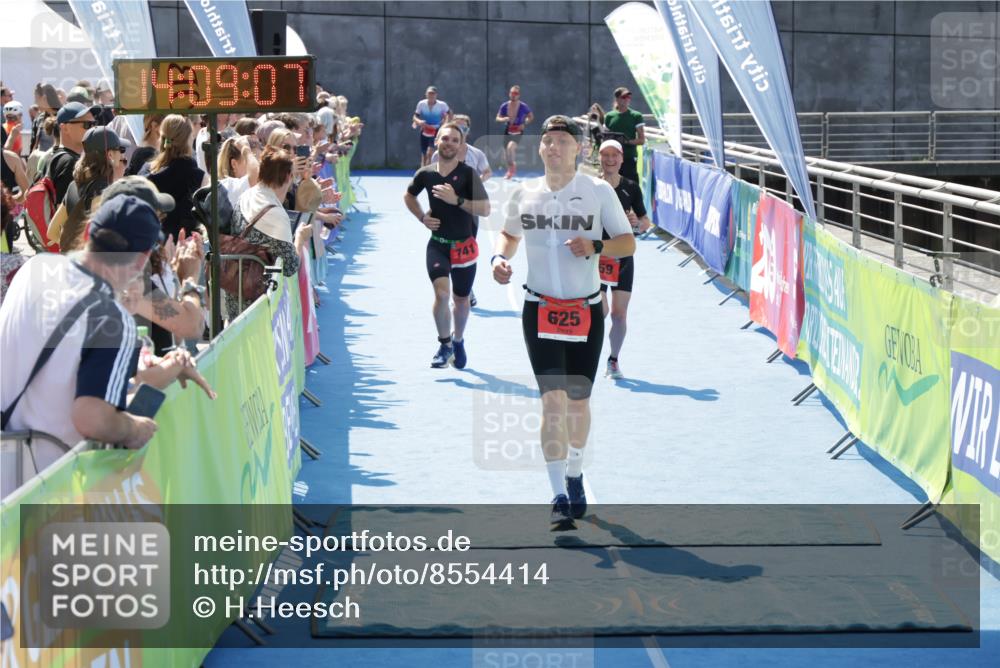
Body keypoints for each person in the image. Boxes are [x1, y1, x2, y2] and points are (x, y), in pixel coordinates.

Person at [491, 116, 635, 526]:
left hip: (586, 310)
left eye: (561, 142)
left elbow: (628, 244)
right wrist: (500, 259)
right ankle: (556, 492)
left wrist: (595, 245)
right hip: (539, 308)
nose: (552, 147)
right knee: (551, 403)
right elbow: (509, 235)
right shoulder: (525, 193)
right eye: (547, 141)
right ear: (540, 149)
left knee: (578, 402)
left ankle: (575, 471)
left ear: (578, 150)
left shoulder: (597, 191)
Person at [0, 195, 213, 451]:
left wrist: (167, 366)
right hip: (49, 476)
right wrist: (135, 427)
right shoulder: (112, 317)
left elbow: (62, 361)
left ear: (89, 230)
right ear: (141, 259)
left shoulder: (35, 267)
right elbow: (92, 417)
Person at [404, 122, 490, 368]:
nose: (449, 143)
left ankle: (459, 339)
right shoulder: (426, 173)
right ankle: (444, 344)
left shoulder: (467, 174)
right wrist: (422, 217)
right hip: (438, 244)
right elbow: (408, 195)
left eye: (454, 140)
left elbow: (485, 209)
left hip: (464, 245)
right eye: (445, 139)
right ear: (437, 142)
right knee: (441, 295)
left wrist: (457, 200)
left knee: (461, 300)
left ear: (461, 145)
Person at [227, 146, 312, 321]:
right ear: (288, 176)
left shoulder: (247, 196)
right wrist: (300, 238)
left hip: (235, 291)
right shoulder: (275, 214)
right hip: (258, 303)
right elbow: (290, 266)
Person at [595, 140, 652, 379]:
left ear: (621, 159)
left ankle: (613, 359)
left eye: (614, 155)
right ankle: (587, 354)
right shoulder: (590, 186)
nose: (609, 159)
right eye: (605, 155)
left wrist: (636, 224)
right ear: (599, 157)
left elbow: (645, 221)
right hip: (596, 256)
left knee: (619, 314)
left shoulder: (631, 187)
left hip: (623, 258)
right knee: (600, 311)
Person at [58, 126, 130, 250]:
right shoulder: (103, 190)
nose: (122, 154)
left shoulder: (73, 185)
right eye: (121, 149)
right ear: (110, 155)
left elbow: (52, 232)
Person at [140, 114, 206, 240]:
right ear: (187, 140)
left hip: (152, 244)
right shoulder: (198, 176)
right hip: (185, 246)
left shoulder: (146, 171)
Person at [47, 101, 96, 206]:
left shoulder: (55, 156)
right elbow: (64, 212)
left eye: (94, 124)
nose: (93, 129)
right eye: (87, 124)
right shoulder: (69, 162)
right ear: (65, 128)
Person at [603, 87, 645, 182]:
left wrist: (626, 141)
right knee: (611, 187)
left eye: (628, 97)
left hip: (628, 158)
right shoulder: (609, 116)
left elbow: (641, 140)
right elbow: (605, 137)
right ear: (617, 99)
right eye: (624, 97)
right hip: (611, 159)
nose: (627, 99)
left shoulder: (636, 116)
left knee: (630, 187)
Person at [495, 85, 533, 179]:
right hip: (508, 131)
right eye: (512, 93)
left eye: (515, 93)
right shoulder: (504, 106)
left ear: (519, 95)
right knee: (506, 155)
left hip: (518, 131)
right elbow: (497, 118)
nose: (513, 95)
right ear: (509, 94)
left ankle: (511, 171)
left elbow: (531, 117)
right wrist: (504, 118)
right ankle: (511, 168)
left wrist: (525, 123)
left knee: (510, 147)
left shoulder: (523, 106)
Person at [412, 86, 451, 168]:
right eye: (429, 93)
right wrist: (419, 122)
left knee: (430, 152)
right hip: (425, 130)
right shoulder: (421, 104)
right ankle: (423, 173)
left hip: (436, 130)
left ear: (436, 95)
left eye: (433, 94)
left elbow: (449, 114)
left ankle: (430, 172)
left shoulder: (442, 105)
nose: (431, 95)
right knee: (424, 154)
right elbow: (415, 117)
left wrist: (444, 124)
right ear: (426, 94)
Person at [218, 136, 259, 208]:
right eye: (251, 159)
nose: (257, 164)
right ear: (234, 164)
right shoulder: (230, 186)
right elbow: (257, 175)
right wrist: (246, 150)